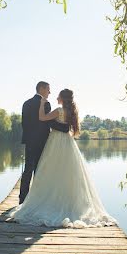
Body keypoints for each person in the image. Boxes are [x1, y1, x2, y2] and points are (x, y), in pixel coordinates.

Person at [11, 88, 117, 228]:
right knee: (68, 172)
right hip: (67, 142)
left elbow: (42, 118)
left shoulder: (59, 110)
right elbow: (66, 127)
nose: (55, 97)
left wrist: (42, 104)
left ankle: (50, 200)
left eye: (58, 95)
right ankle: (67, 202)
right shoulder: (71, 111)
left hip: (55, 142)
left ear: (62, 98)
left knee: (51, 170)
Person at [19, 81, 69, 204]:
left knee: (27, 170)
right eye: (48, 89)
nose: (49, 92)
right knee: (39, 169)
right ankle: (36, 198)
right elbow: (48, 122)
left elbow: (24, 124)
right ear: (41, 89)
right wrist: (65, 128)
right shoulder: (46, 104)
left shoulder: (26, 103)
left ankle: (22, 198)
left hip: (30, 142)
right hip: (42, 141)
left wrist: (27, 138)